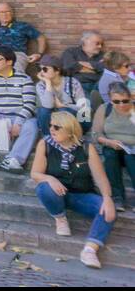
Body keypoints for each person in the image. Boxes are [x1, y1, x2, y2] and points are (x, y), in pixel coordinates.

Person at [30, 111, 116, 269]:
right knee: (44, 188)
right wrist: (50, 178)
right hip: (56, 194)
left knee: (107, 210)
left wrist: (108, 198)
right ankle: (60, 218)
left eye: (57, 127)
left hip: (82, 195)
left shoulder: (85, 148)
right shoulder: (45, 144)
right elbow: (35, 174)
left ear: (70, 131)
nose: (52, 129)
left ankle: (90, 250)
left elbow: (100, 177)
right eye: (50, 125)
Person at [93, 82, 135, 211]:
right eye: (116, 101)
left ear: (131, 98)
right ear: (111, 100)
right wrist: (108, 142)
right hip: (112, 146)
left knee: (130, 158)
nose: (121, 104)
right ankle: (117, 197)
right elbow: (96, 134)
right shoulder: (105, 109)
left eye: (125, 101)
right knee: (110, 155)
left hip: (132, 147)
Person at [0, 3, 46, 77]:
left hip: (16, 54)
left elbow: (41, 38)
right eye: (1, 12)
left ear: (12, 12)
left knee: (15, 75)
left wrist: (39, 54)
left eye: (7, 11)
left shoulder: (22, 26)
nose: (5, 14)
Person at [36, 54, 89, 136]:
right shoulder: (41, 85)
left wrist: (63, 106)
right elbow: (48, 105)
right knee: (43, 111)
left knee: (63, 111)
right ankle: (48, 139)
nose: (41, 72)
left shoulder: (73, 83)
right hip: (54, 121)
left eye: (45, 69)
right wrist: (48, 83)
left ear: (57, 70)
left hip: (78, 120)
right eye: (40, 69)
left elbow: (84, 109)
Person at [59, 30, 106, 101]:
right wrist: (95, 68)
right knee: (89, 101)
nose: (100, 46)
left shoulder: (104, 55)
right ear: (86, 42)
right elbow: (68, 68)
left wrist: (80, 63)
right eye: (97, 43)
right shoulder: (71, 52)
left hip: (97, 85)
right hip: (79, 85)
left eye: (101, 44)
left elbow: (106, 70)